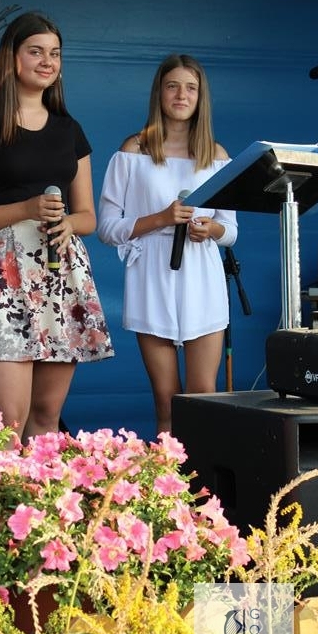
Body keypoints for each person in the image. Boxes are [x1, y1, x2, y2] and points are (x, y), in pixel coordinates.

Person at [0, 11, 114, 444]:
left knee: (46, 416)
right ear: (12, 58)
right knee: (7, 423)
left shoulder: (69, 130)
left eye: (55, 53)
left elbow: (88, 216)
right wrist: (25, 208)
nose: (47, 61)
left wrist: (68, 222)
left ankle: (40, 492)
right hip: (2, 272)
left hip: (59, 273)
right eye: (36, 51)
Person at [98, 53, 237, 436]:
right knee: (166, 399)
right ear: (159, 93)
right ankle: (168, 474)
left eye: (191, 88)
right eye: (173, 86)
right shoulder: (134, 150)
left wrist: (210, 229)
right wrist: (160, 218)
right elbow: (107, 227)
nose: (181, 95)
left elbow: (231, 231)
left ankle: (203, 473)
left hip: (201, 275)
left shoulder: (216, 155)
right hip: (152, 274)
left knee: (203, 395)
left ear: (200, 97)